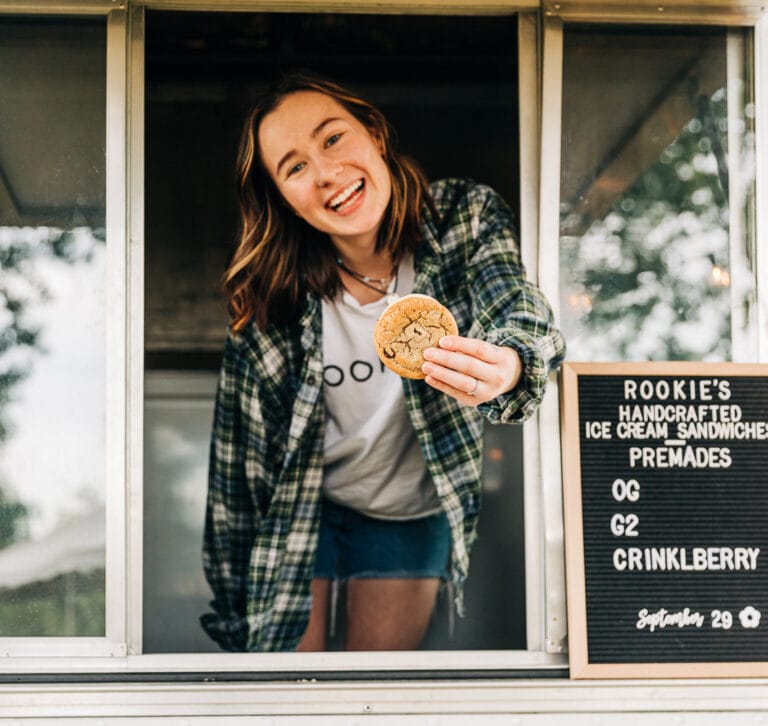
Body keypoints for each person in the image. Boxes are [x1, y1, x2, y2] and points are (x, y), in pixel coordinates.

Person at [201, 72, 566, 653]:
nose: (325, 174)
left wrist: (511, 363)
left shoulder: (461, 218)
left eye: (332, 139)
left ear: (373, 132)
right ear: (282, 198)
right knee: (295, 696)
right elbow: (239, 468)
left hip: (411, 513)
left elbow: (514, 301)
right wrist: (232, 610)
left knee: (375, 691)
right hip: (304, 508)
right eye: (293, 168)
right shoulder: (272, 292)